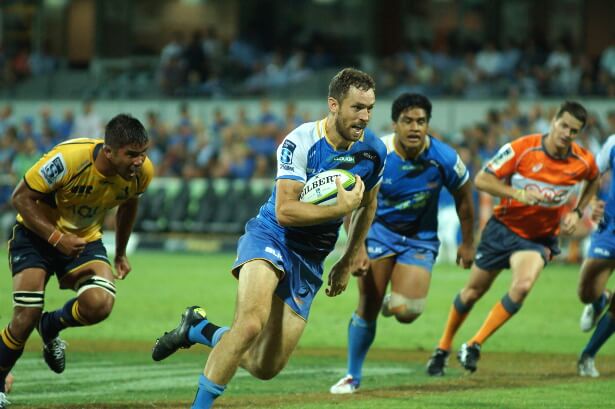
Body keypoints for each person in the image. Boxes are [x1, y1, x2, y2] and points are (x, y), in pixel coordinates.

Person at [151, 68, 387, 408]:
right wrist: (338, 209)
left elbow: (369, 204)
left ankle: (198, 329)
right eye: (357, 108)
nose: (364, 117)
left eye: (370, 108)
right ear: (333, 105)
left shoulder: (374, 152)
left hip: (311, 257)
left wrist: (348, 258)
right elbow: (285, 211)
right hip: (272, 237)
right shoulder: (300, 141)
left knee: (265, 366)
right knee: (248, 325)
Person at [426, 101, 600, 375]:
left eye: (574, 130)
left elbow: (594, 179)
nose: (567, 133)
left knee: (522, 286)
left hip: (538, 239)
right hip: (503, 229)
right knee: (472, 293)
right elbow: (482, 179)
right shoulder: (522, 148)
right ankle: (442, 347)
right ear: (553, 121)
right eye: (564, 125)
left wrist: (577, 211)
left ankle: (474, 344)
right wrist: (518, 194)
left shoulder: (582, 161)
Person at [0, 114, 153, 407]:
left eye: (143, 153)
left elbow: (129, 206)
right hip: (35, 237)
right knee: (24, 317)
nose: (139, 161)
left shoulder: (142, 172)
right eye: (131, 154)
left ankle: (51, 326)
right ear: (109, 151)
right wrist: (57, 239)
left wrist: (120, 253)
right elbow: (20, 198)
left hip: (84, 239)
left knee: (100, 303)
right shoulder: (68, 158)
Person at [329, 93, 475, 394]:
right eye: (407, 121)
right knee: (367, 305)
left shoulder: (445, 157)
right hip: (378, 232)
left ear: (428, 125)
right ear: (395, 124)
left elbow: (465, 198)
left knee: (407, 312)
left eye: (421, 121)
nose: (414, 127)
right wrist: (358, 248)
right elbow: (351, 203)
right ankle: (352, 376)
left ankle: (390, 299)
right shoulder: (376, 154)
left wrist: (468, 243)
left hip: (419, 239)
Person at [576, 133, 615, 377]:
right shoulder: (613, 143)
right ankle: (598, 300)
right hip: (610, 227)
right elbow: (592, 174)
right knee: (585, 292)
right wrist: (590, 204)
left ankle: (587, 355)